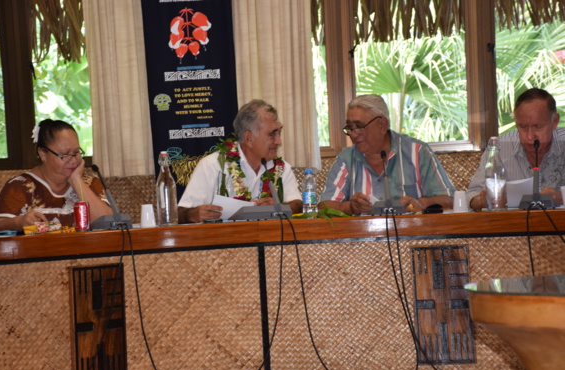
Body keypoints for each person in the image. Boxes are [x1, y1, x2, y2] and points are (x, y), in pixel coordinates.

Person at [319, 94, 455, 215]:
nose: (353, 134)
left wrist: (420, 204)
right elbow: (324, 207)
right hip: (362, 240)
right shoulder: (346, 159)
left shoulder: (417, 152)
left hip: (413, 236)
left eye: (359, 126)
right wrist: (350, 207)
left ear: (382, 124)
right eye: (350, 127)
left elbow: (450, 199)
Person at [178, 99, 303, 223]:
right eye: (272, 134)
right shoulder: (212, 166)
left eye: (279, 132)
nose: (279, 142)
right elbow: (179, 214)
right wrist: (193, 214)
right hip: (223, 241)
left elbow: (298, 205)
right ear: (248, 138)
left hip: (269, 241)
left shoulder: (281, 167)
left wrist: (279, 207)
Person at [0, 119, 113, 231]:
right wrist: (19, 222)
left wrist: (76, 181)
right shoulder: (21, 185)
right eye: (64, 154)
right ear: (42, 154)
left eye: (76, 152)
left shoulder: (90, 183)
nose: (73, 160)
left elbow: (109, 222)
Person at [467, 88, 565, 211]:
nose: (529, 136)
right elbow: (471, 194)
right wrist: (484, 200)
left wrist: (562, 197)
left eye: (538, 126)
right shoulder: (499, 147)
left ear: (554, 121)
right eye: (523, 127)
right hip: (512, 227)